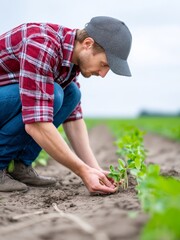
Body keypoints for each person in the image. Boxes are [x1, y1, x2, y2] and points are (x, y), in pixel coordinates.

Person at [0, 16, 132, 194]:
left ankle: (20, 166)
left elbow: (73, 119)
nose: (102, 74)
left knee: (72, 94)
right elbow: (37, 125)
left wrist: (94, 169)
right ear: (87, 43)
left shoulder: (70, 61)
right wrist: (82, 171)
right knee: (54, 94)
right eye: (103, 64)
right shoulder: (41, 44)